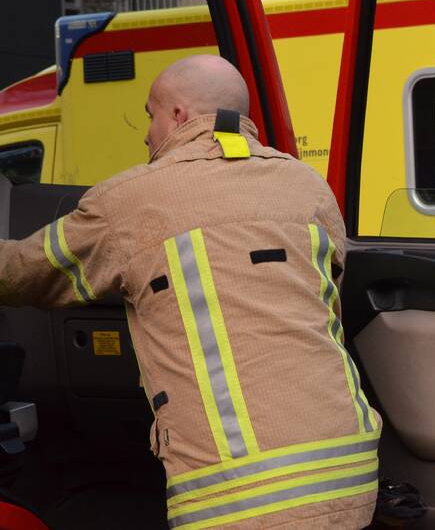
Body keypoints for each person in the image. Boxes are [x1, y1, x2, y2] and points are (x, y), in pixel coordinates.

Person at [0, 55, 379, 529]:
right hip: (351, 473)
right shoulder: (307, 186)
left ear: (178, 115)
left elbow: (22, 271)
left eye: (149, 114)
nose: (145, 134)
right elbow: (327, 301)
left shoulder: (133, 199)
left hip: (237, 495)